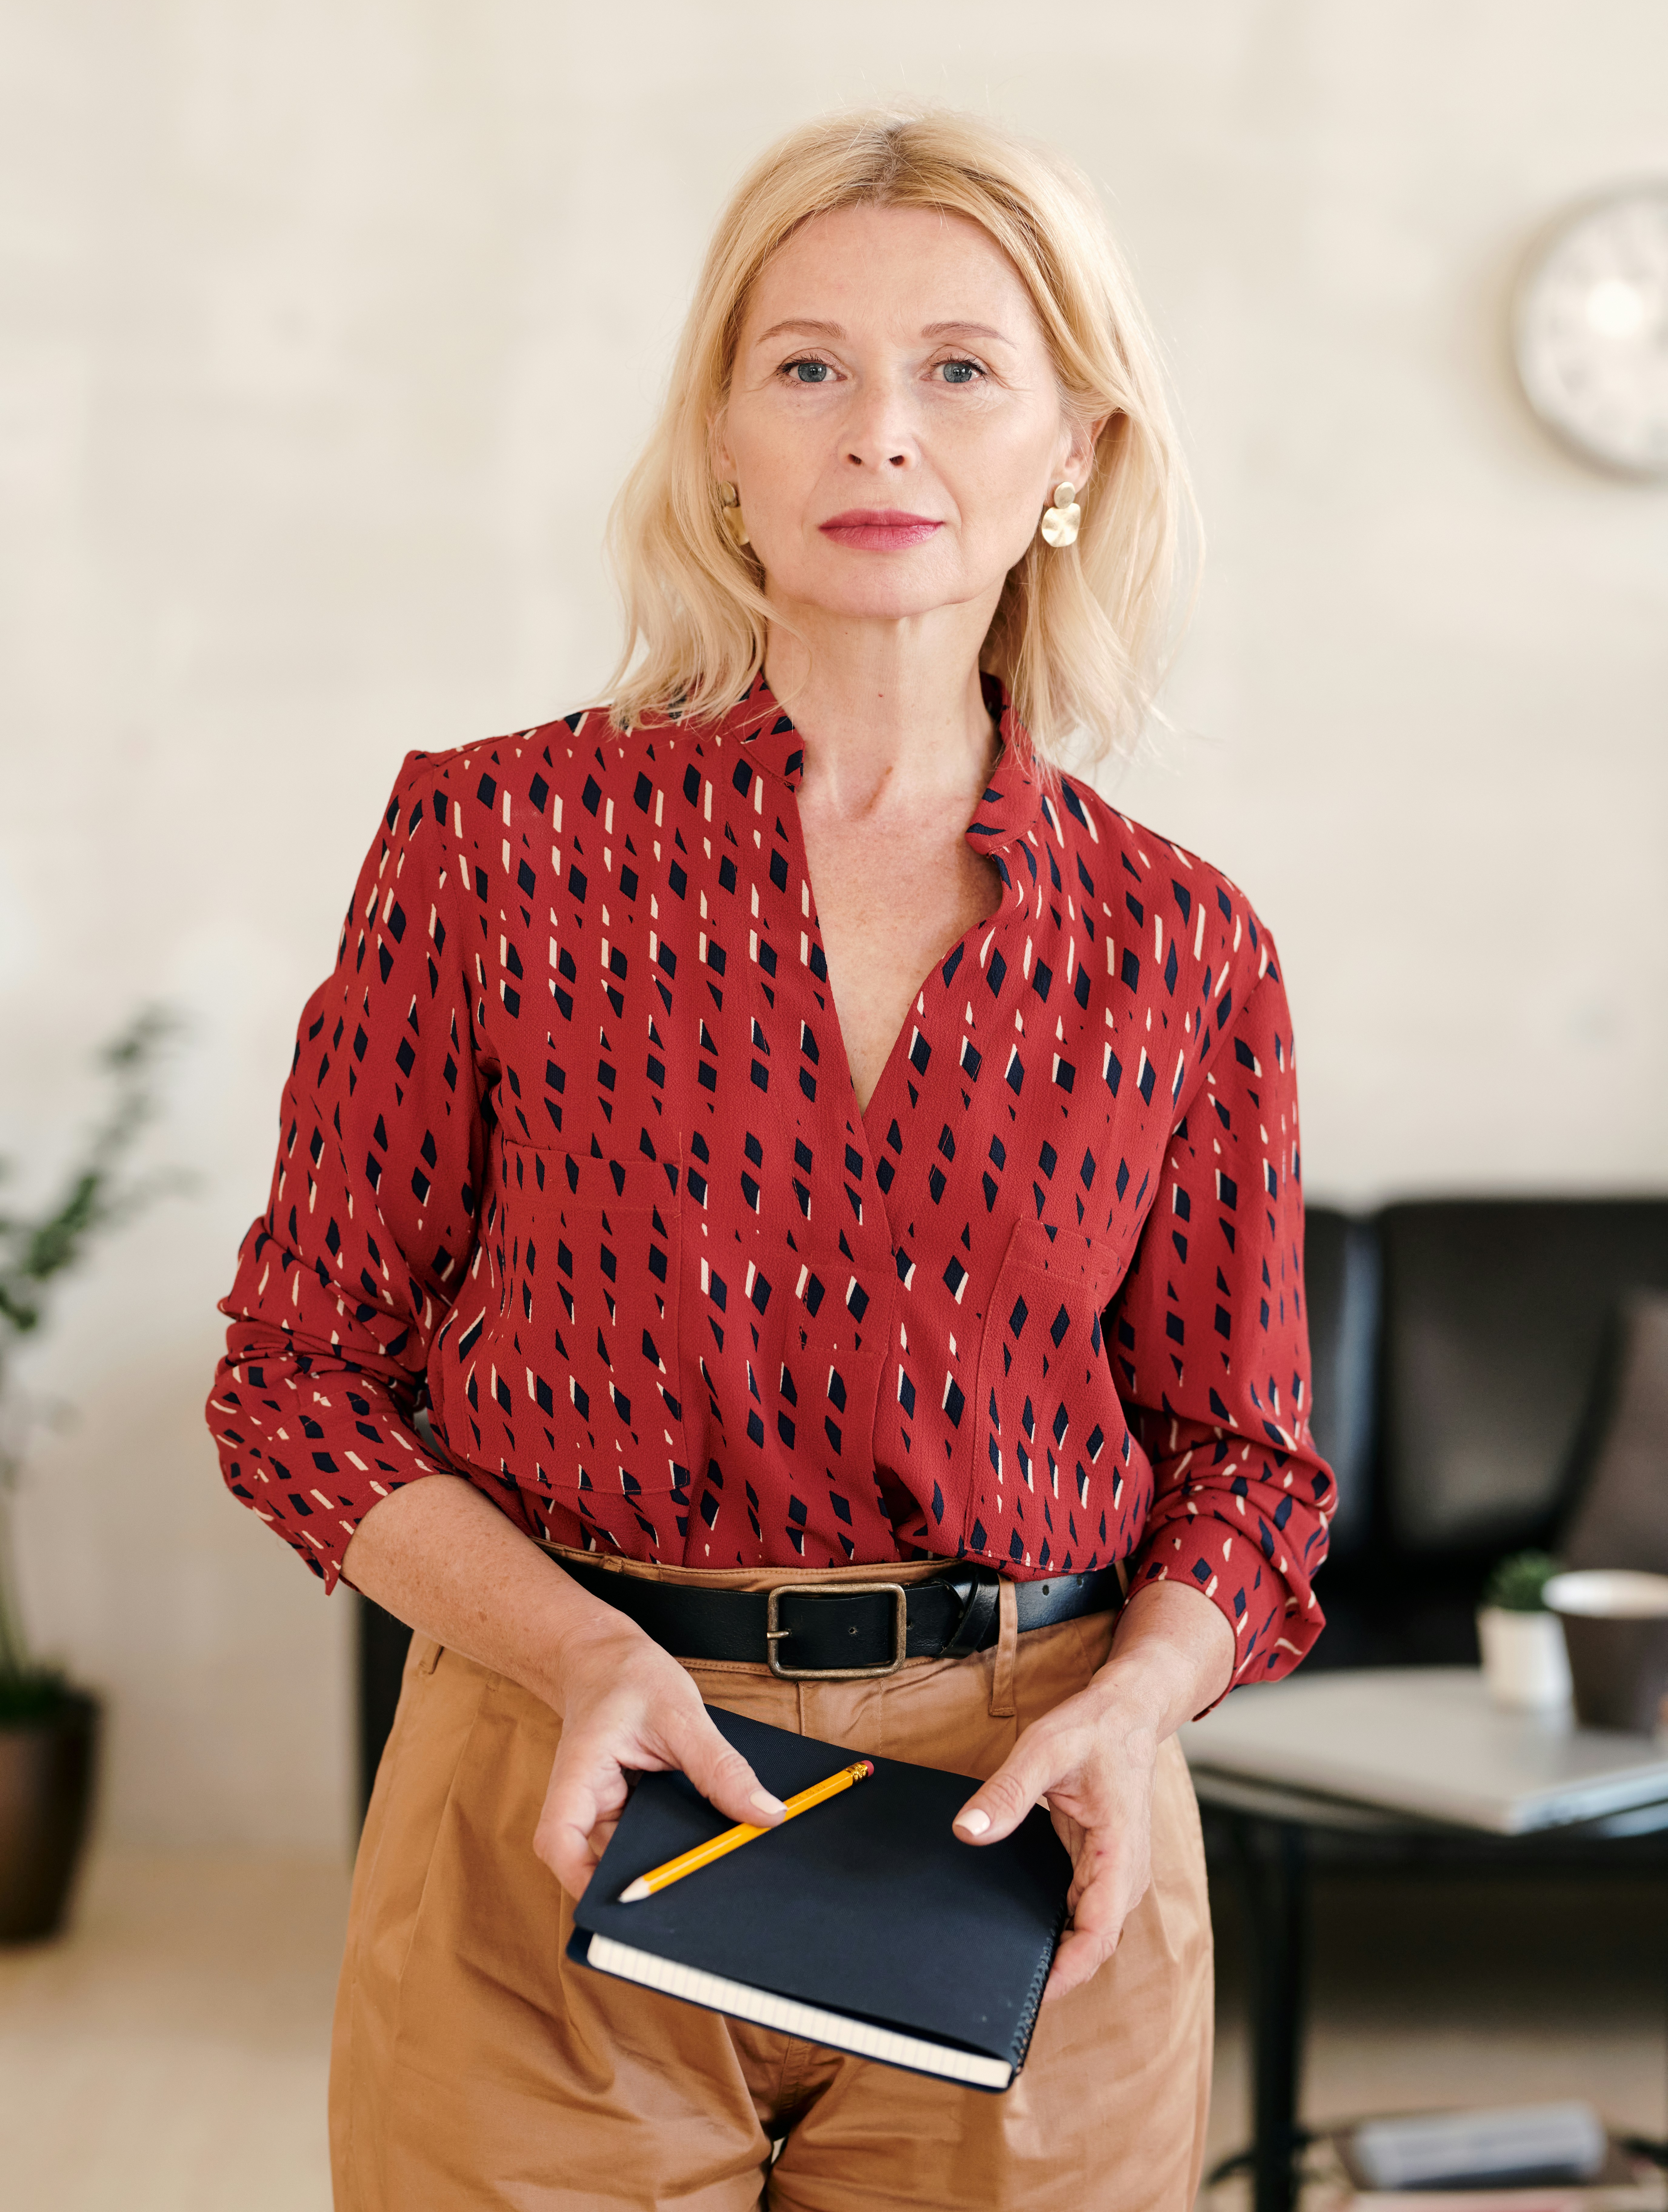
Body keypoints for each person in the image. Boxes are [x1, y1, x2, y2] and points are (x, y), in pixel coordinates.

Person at [208, 109, 1332, 2212]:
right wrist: (578, 1657)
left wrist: (1142, 1707)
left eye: (961, 372)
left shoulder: (1185, 943)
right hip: (555, 1787)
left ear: (1076, 450)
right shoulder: (494, 849)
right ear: (721, 434)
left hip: (1032, 1837)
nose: (877, 436)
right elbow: (295, 1378)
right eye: (806, 365)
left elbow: (1250, 1475)